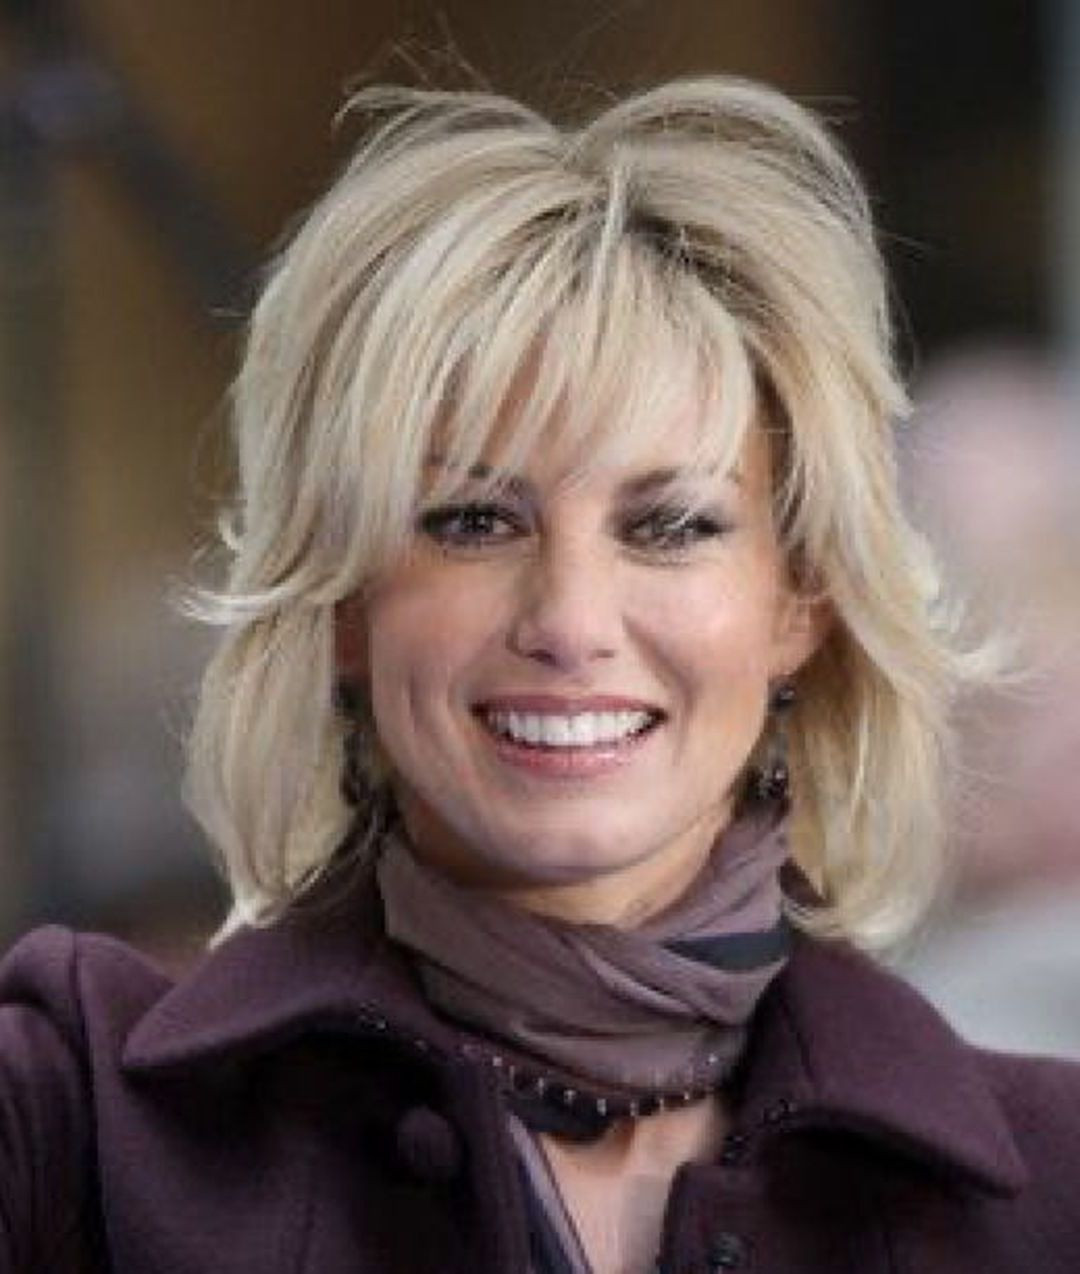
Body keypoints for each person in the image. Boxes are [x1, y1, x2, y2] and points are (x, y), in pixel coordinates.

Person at [2, 75, 1078, 1274]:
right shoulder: (71, 1116)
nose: (569, 620)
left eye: (669, 525)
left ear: (801, 605)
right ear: (344, 603)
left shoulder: (1051, 1186)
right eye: (473, 521)